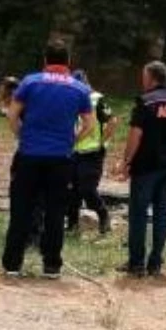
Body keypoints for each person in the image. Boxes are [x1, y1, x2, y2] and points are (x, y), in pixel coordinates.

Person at [1, 39, 95, 279]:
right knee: (55, 212)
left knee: (21, 208)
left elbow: (12, 115)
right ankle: (51, 264)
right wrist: (72, 141)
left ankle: (13, 263)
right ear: (68, 62)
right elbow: (89, 124)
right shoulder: (79, 89)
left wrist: (22, 134)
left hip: (29, 155)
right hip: (60, 159)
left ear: (45, 60)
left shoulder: (30, 82)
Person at [120, 61, 166, 277]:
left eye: (144, 76)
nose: (142, 80)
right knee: (161, 214)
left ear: (151, 78)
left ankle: (136, 263)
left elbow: (135, 135)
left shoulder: (145, 102)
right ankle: (155, 262)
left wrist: (126, 161)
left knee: (138, 214)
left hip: (146, 167)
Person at [66, 69, 116, 235]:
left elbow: (112, 122)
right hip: (74, 151)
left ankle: (103, 214)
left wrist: (102, 143)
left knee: (88, 189)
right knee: (72, 190)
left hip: (92, 152)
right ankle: (72, 224)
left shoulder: (97, 99)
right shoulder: (72, 99)